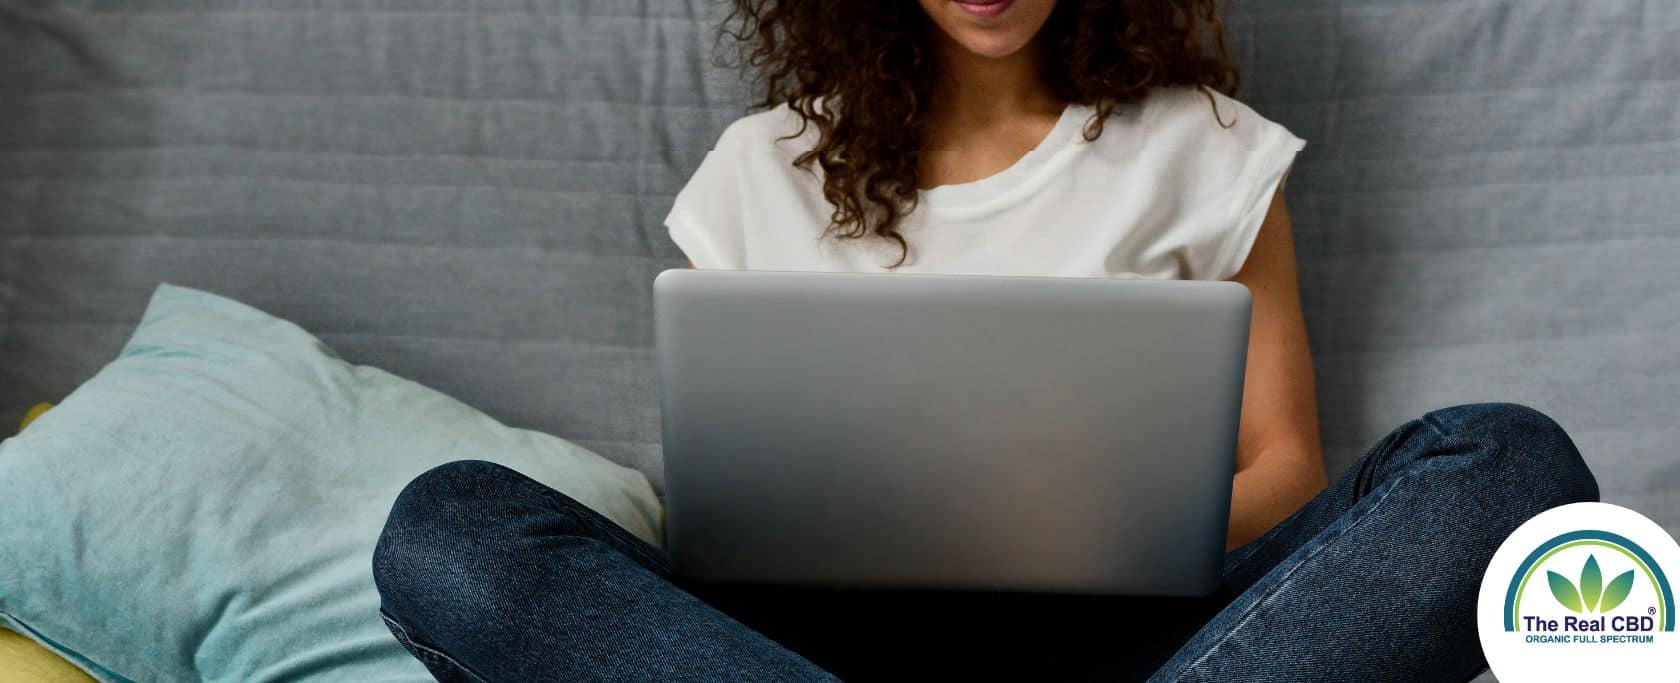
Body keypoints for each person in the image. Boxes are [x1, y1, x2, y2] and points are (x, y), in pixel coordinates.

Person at [371, 1, 1599, 680]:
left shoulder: (1208, 146)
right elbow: (727, 500)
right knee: (448, 526)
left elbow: (1285, 469)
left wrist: (1080, 512)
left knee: (1511, 463)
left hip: (1152, 640)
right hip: (819, 647)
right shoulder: (762, 169)